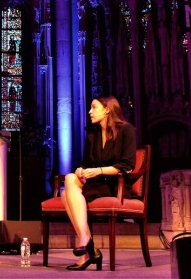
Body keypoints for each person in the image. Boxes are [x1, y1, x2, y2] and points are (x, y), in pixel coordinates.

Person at [61, 96, 136, 271]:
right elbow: (87, 164)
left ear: (107, 109)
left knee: (66, 194)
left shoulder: (126, 130)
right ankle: (87, 243)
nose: (90, 112)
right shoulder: (92, 135)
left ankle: (88, 248)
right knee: (70, 178)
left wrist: (99, 170)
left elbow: (127, 166)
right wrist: (81, 170)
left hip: (115, 185)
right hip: (96, 184)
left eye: (94, 107)